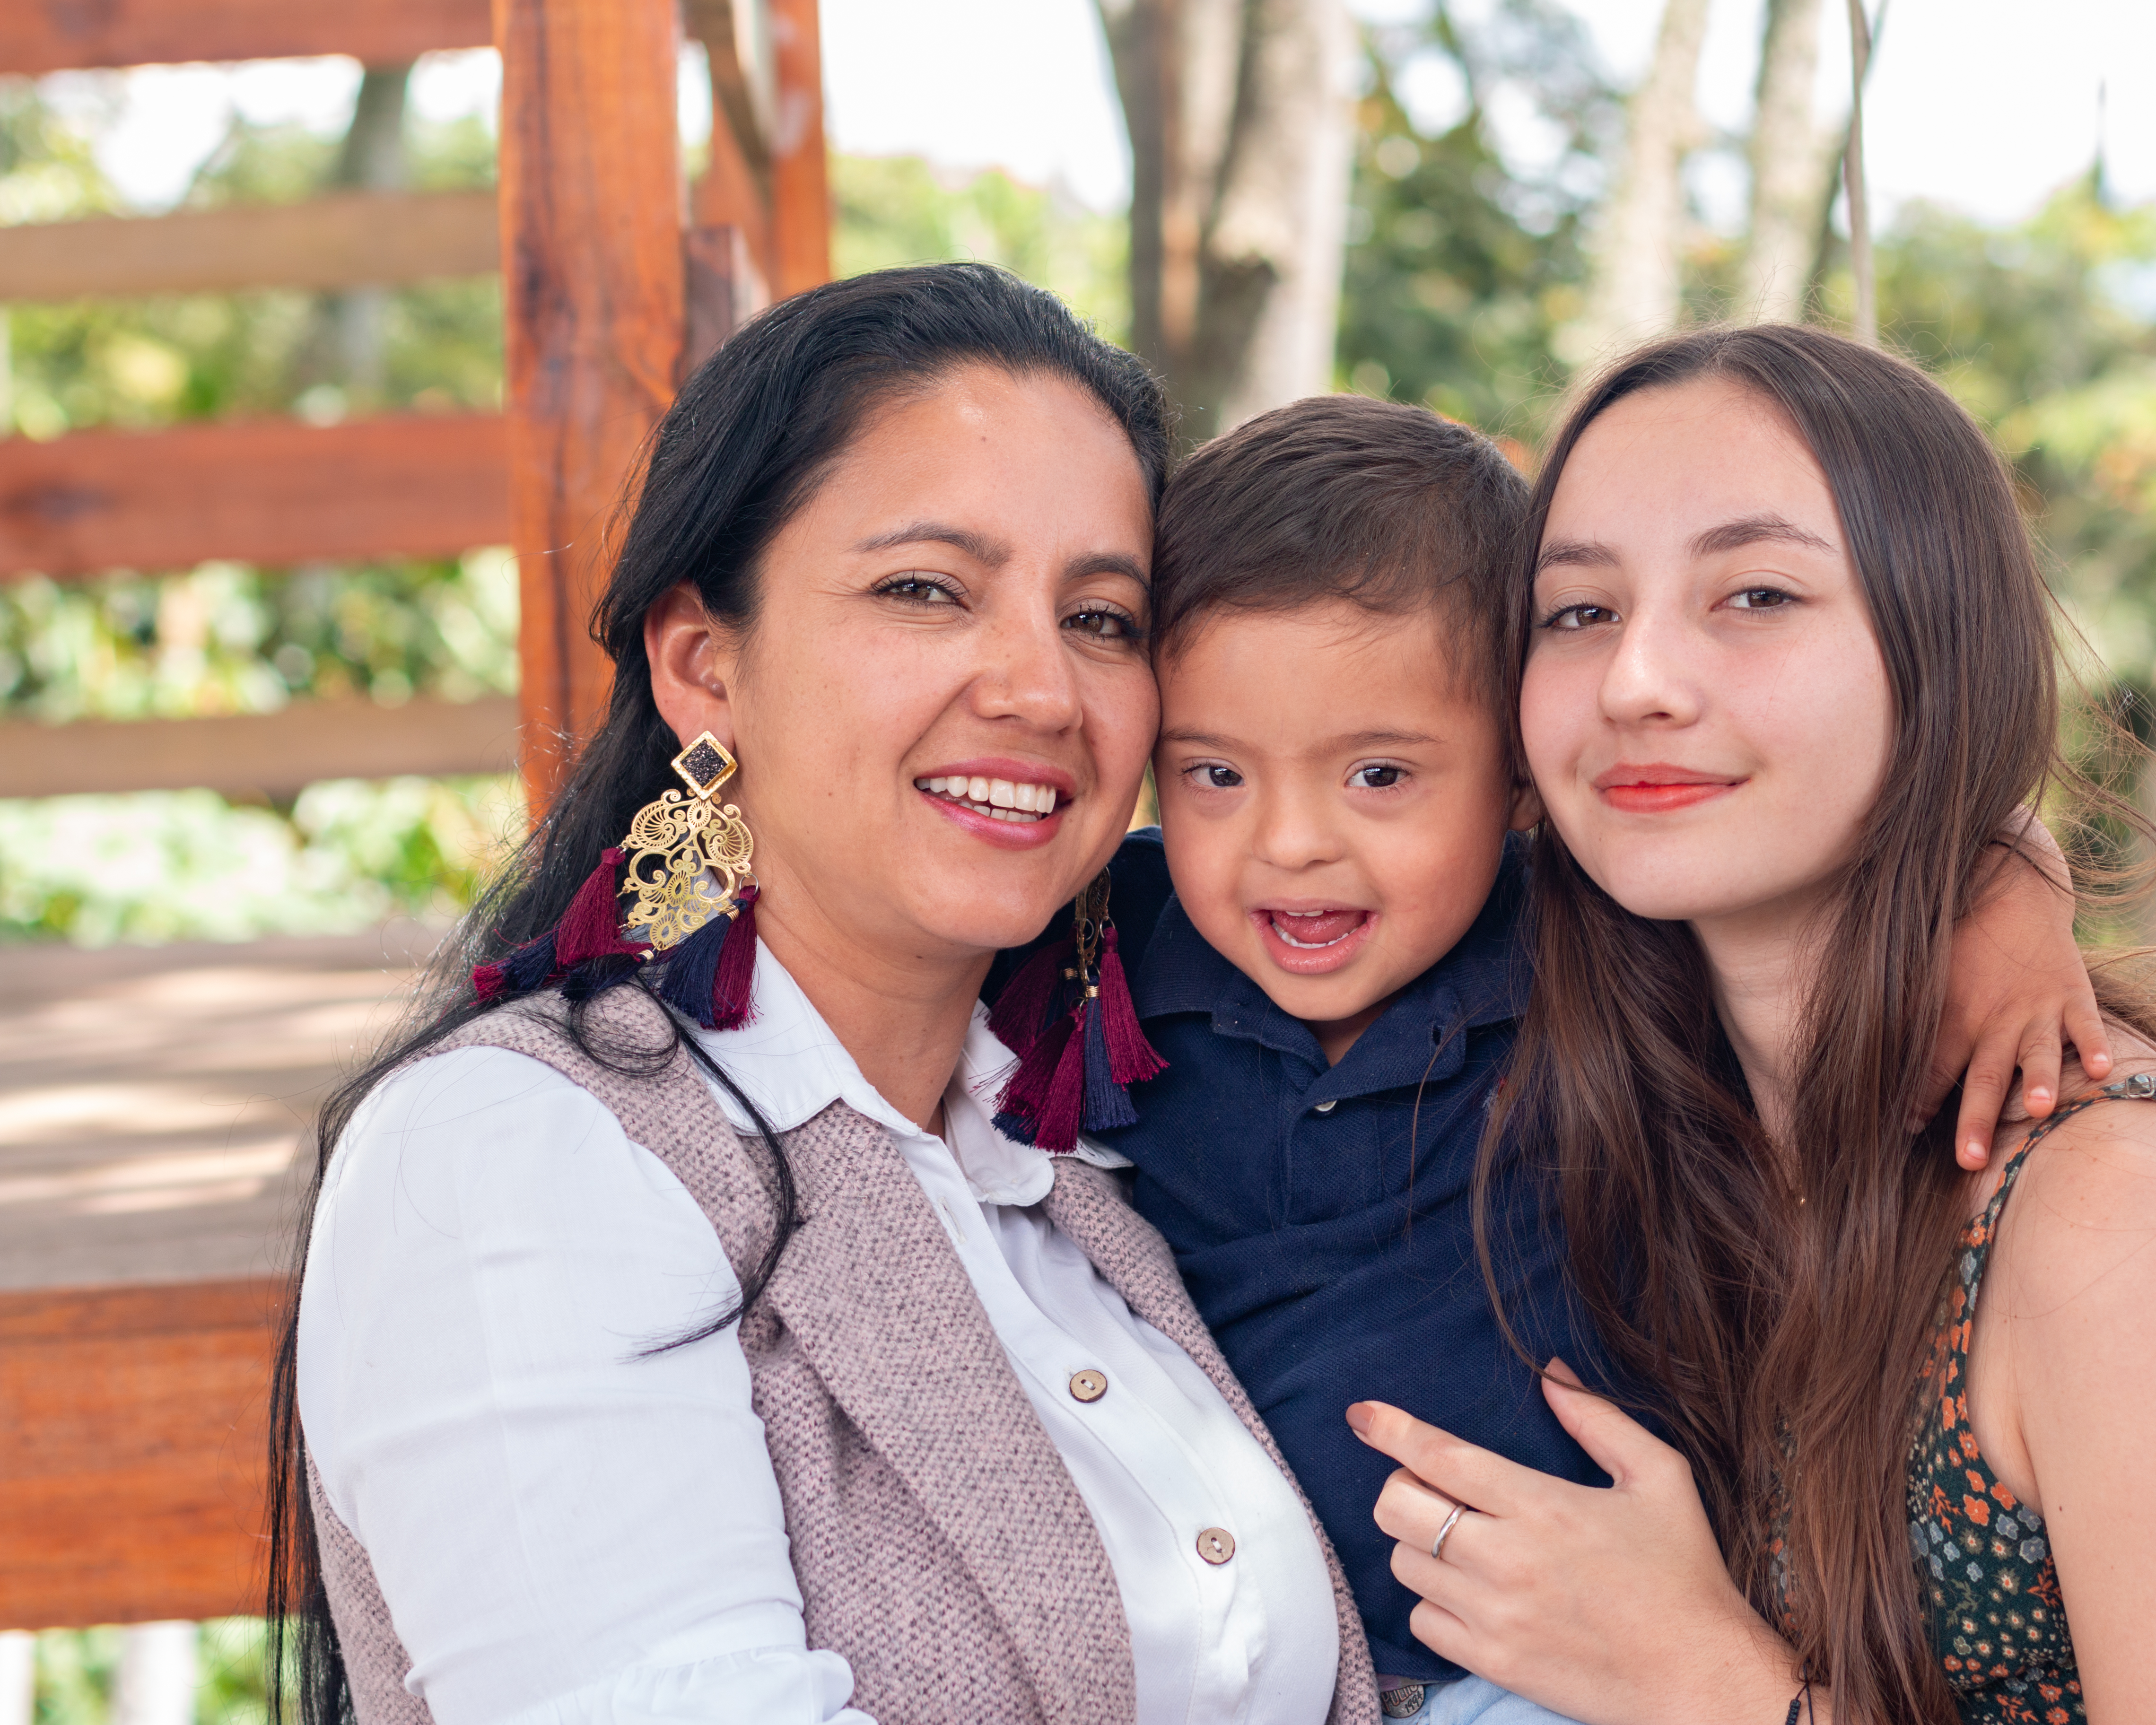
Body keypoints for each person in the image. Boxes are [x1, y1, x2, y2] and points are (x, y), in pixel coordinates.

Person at [267, 264, 1381, 1725]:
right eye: (926, 589)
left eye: (1103, 618)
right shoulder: (514, 1155)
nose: (1042, 688)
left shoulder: (1088, 1158)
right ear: (702, 663)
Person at [1347, 324, 2156, 1725]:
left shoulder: (2110, 1210)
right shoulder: (1622, 1088)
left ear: (1939, 648)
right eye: (1580, 612)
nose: (1637, 679)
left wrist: (1710, 1685)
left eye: (1759, 594)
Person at [1026, 392, 2115, 1725]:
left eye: (1379, 777)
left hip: (1557, 1671)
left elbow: (1864, 826)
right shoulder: (1103, 944)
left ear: (1521, 774)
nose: (1290, 844)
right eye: (1214, 777)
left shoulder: (1585, 937)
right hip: (1232, 1662)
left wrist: (2010, 887)